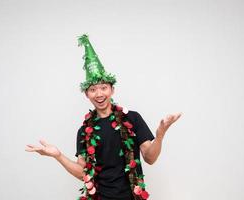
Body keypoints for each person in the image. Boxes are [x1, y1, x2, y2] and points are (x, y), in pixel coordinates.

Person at [25, 34, 182, 200]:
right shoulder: (84, 131)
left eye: (103, 88)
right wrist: (58, 156)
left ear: (112, 90)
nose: (99, 94)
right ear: (87, 94)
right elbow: (82, 172)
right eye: (93, 90)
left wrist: (160, 136)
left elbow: (150, 158)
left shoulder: (132, 119)